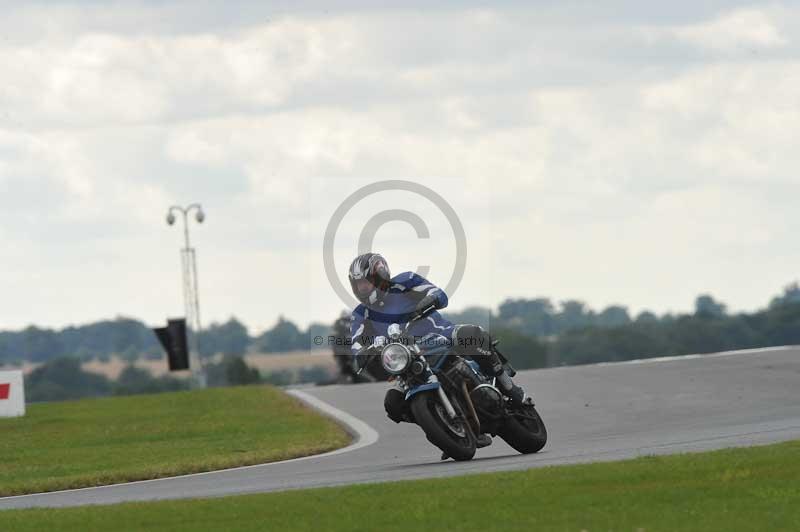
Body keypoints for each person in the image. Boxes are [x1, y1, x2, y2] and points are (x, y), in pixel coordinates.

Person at [348, 252, 533, 447]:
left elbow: (438, 294)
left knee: (472, 334)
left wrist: (427, 302)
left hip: (440, 336)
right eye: (358, 285)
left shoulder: (406, 281)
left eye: (365, 283)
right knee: (393, 403)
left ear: (380, 276)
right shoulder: (361, 314)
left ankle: (512, 389)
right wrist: (362, 354)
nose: (362, 289)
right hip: (407, 360)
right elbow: (357, 342)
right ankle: (446, 427)